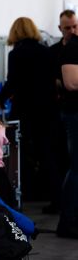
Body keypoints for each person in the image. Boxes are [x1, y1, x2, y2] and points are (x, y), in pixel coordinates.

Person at [0, 17, 59, 208]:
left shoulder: (16, 54)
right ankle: (55, 198)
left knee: (20, 153)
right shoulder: (47, 51)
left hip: (24, 109)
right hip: (48, 109)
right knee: (47, 152)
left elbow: (12, 82)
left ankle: (23, 194)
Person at [46, 10, 78, 213]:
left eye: (75, 26)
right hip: (62, 110)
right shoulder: (54, 52)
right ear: (60, 28)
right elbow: (68, 82)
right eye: (68, 27)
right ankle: (64, 211)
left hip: (69, 108)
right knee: (68, 163)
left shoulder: (73, 47)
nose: (72, 30)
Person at [56, 30, 78, 238]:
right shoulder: (73, 48)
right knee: (77, 167)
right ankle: (67, 221)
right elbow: (71, 83)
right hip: (75, 114)